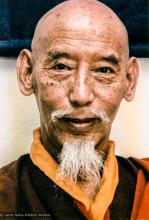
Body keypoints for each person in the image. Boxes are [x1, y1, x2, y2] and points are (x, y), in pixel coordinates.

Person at [0, 0, 149, 219]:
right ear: (27, 73)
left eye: (104, 70)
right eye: (61, 67)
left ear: (129, 80)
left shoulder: (143, 186)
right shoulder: (6, 197)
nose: (81, 95)